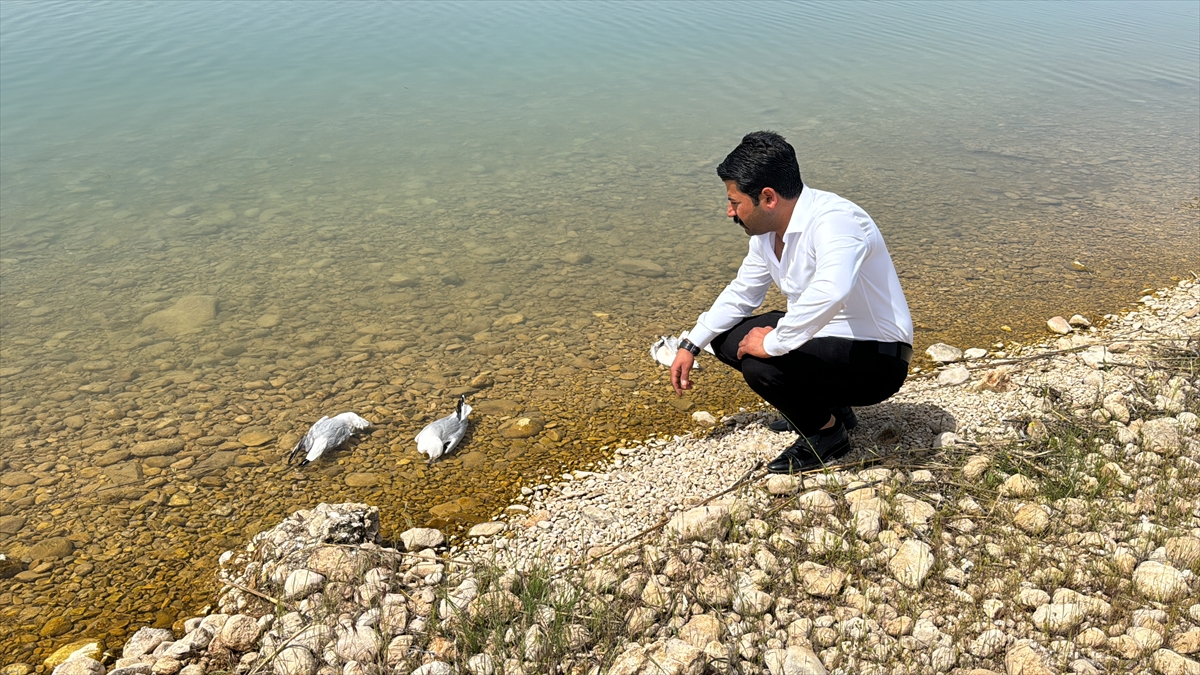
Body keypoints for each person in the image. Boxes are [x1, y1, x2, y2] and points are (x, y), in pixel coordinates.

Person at [671, 131, 913, 474]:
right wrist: (691, 344)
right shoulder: (767, 233)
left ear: (767, 197)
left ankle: (826, 433)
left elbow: (832, 291)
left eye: (735, 201)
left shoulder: (837, 221)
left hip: (877, 358)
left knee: (761, 364)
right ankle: (831, 407)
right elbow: (743, 292)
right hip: (829, 342)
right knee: (724, 339)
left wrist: (773, 343)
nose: (729, 212)